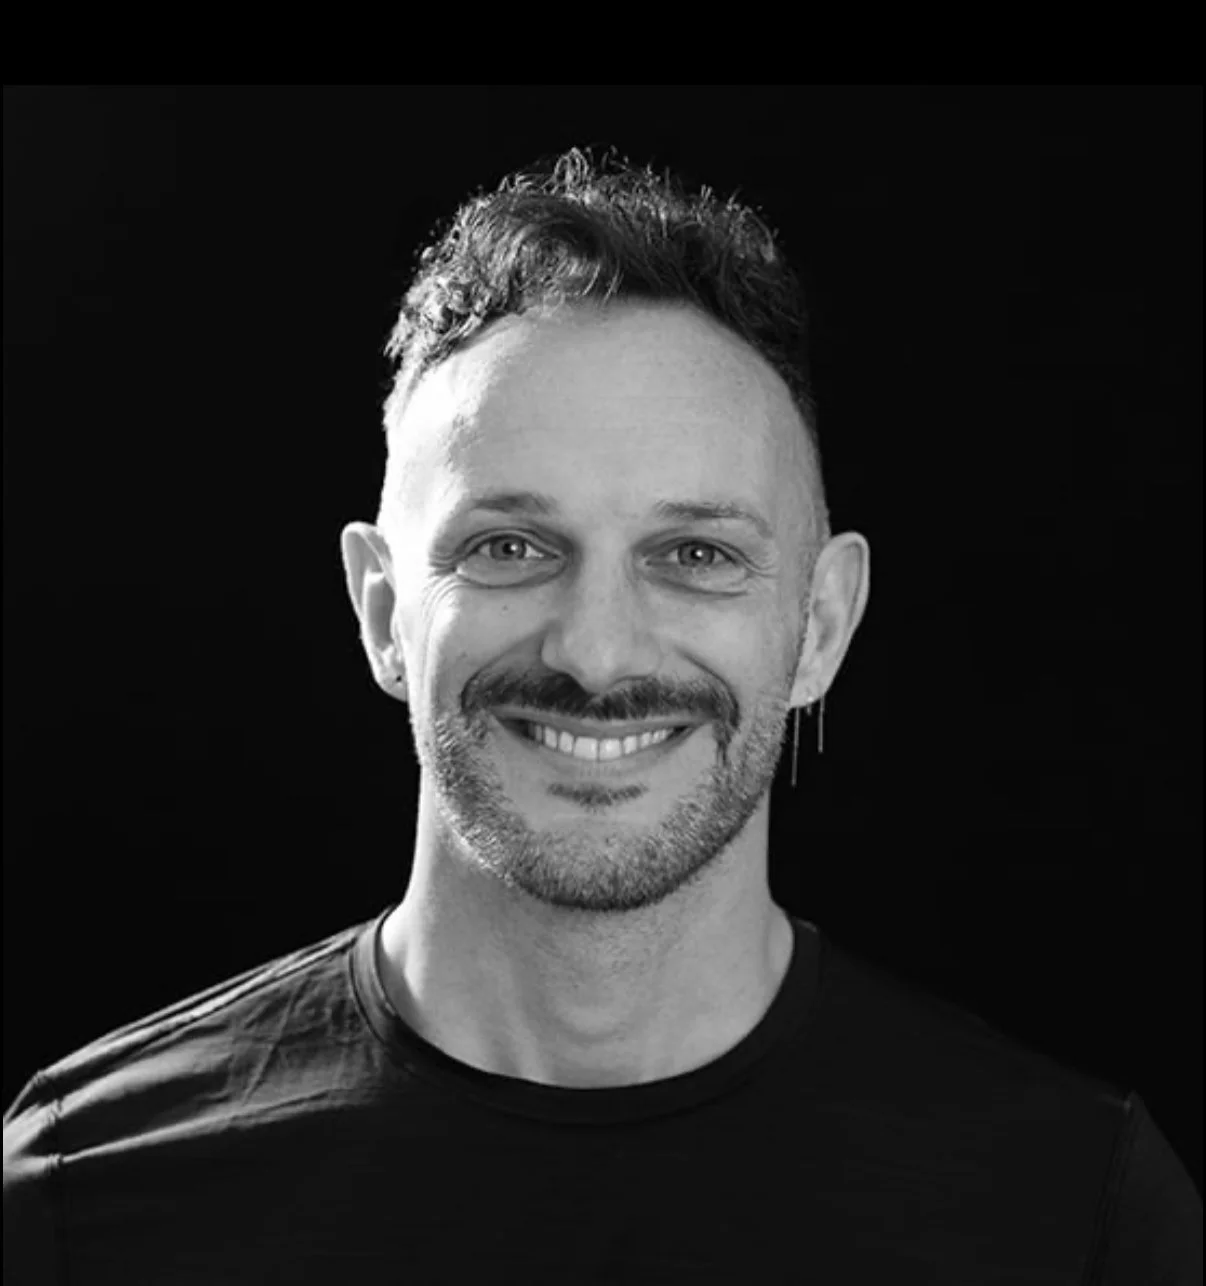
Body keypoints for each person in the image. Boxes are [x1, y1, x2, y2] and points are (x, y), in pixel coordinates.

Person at [4, 146, 1200, 1283]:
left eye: (694, 552)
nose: (595, 650)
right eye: (511, 545)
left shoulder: (1072, 1207)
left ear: (822, 625)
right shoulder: (78, 1193)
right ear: (382, 607)